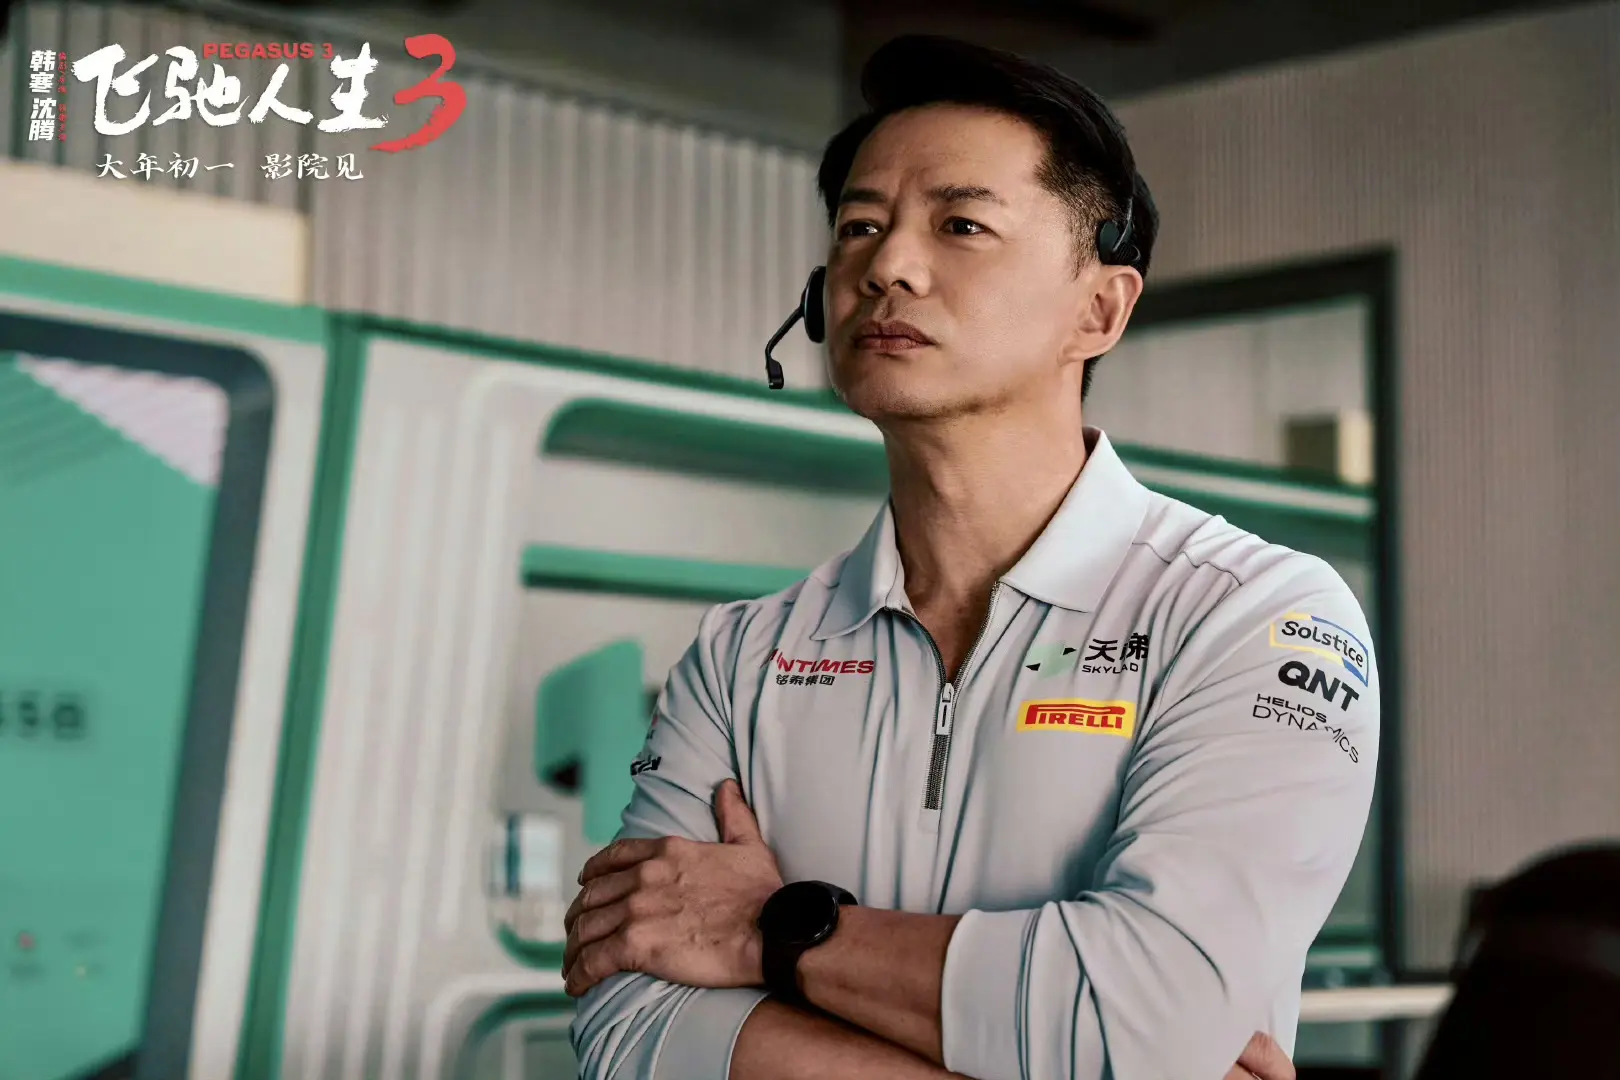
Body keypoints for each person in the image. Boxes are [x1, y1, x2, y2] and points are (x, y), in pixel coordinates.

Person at [565, 33, 1379, 1080]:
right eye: (859, 227)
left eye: (961, 226)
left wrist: (774, 932)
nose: (887, 266)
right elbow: (627, 1026)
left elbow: (1142, 1016)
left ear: (1099, 308)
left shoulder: (1257, 617)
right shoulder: (742, 657)